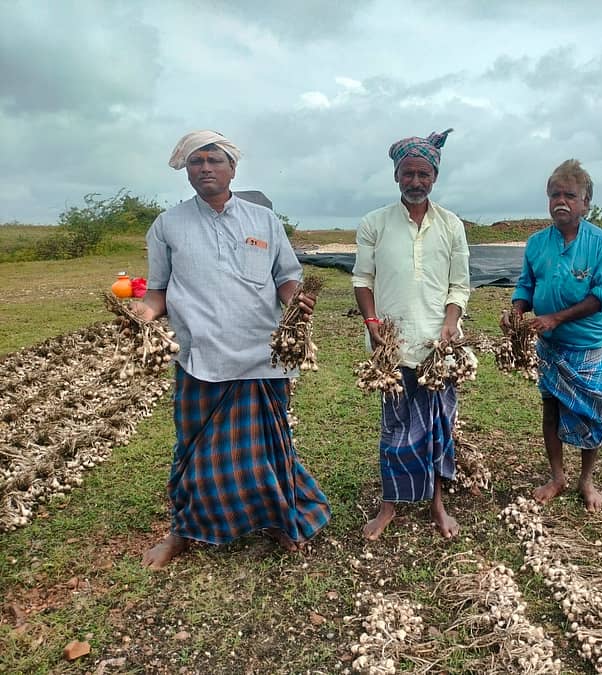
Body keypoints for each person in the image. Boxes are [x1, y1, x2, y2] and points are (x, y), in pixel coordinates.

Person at [134, 130, 331, 570]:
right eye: (195, 162)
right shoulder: (168, 225)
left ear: (232, 169)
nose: (205, 168)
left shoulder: (263, 222)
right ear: (186, 172)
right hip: (200, 356)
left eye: (214, 160)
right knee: (193, 448)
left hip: (263, 354)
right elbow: (158, 291)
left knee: (270, 446)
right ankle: (183, 530)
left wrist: (297, 299)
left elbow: (286, 277)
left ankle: (279, 518)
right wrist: (141, 316)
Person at [351, 129, 471, 540]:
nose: (416, 181)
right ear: (396, 175)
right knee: (395, 427)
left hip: (439, 348)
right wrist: (372, 324)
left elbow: (460, 285)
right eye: (408, 173)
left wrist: (451, 322)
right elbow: (362, 280)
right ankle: (390, 505)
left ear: (434, 177)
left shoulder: (452, 225)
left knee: (439, 425)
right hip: (392, 347)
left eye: (423, 174)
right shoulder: (374, 224)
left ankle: (437, 503)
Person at [503, 159, 602, 511]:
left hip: (588, 344)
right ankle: (557, 476)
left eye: (570, 195)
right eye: (555, 194)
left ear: (586, 203)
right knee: (551, 407)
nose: (561, 201)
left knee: (591, 411)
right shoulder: (537, 243)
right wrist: (518, 311)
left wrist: (556, 317)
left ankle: (586, 480)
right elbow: (526, 284)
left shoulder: (600, 244)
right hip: (551, 346)